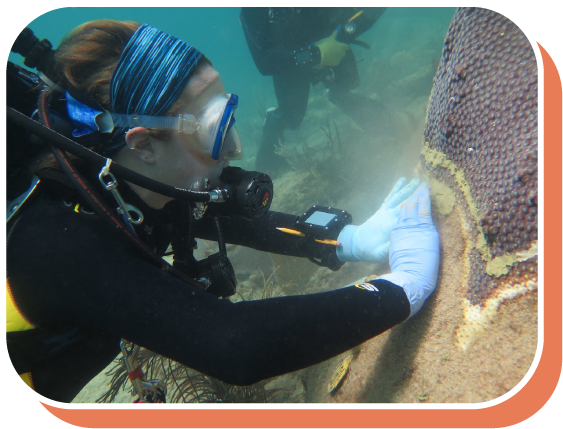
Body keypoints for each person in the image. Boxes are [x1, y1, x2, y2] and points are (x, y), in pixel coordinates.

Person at [6, 20, 440, 403]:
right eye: (215, 130)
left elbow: (221, 217)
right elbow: (236, 344)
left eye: (229, 117)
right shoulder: (58, 240)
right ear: (143, 146)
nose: (236, 148)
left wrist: (345, 239)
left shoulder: (127, 182)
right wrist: (402, 288)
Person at [240, 7, 393, 174]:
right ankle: (274, 123)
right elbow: (264, 62)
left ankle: (382, 127)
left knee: (347, 85)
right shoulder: (253, 9)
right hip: (290, 61)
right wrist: (317, 54)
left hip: (331, 38)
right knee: (292, 118)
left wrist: (346, 32)